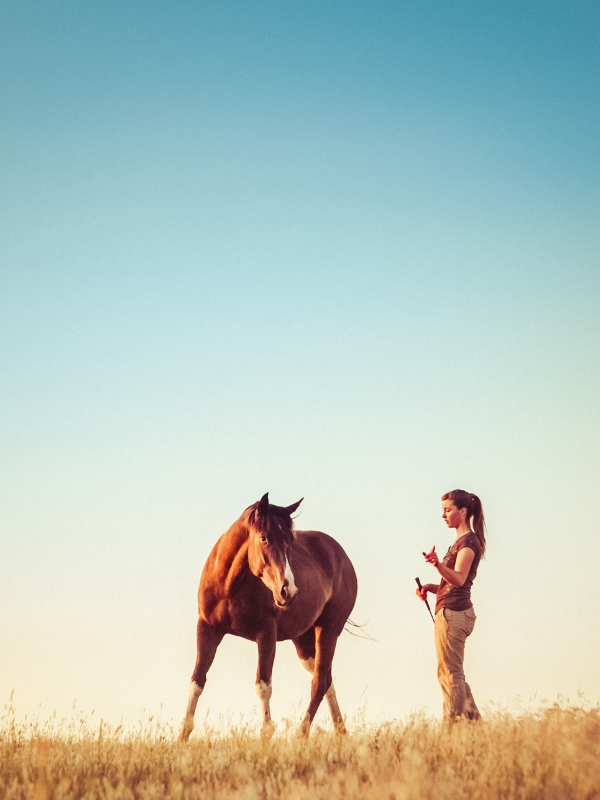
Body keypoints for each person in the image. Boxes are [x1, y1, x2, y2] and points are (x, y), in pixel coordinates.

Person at [416, 489, 486, 725]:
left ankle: (451, 730)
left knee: (449, 674)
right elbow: (450, 583)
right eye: (443, 510)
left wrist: (437, 564)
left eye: (448, 510)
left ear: (462, 511)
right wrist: (430, 586)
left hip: (454, 614)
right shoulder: (462, 542)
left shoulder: (467, 543)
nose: (443, 515)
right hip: (453, 611)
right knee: (454, 673)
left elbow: (459, 579)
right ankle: (476, 726)